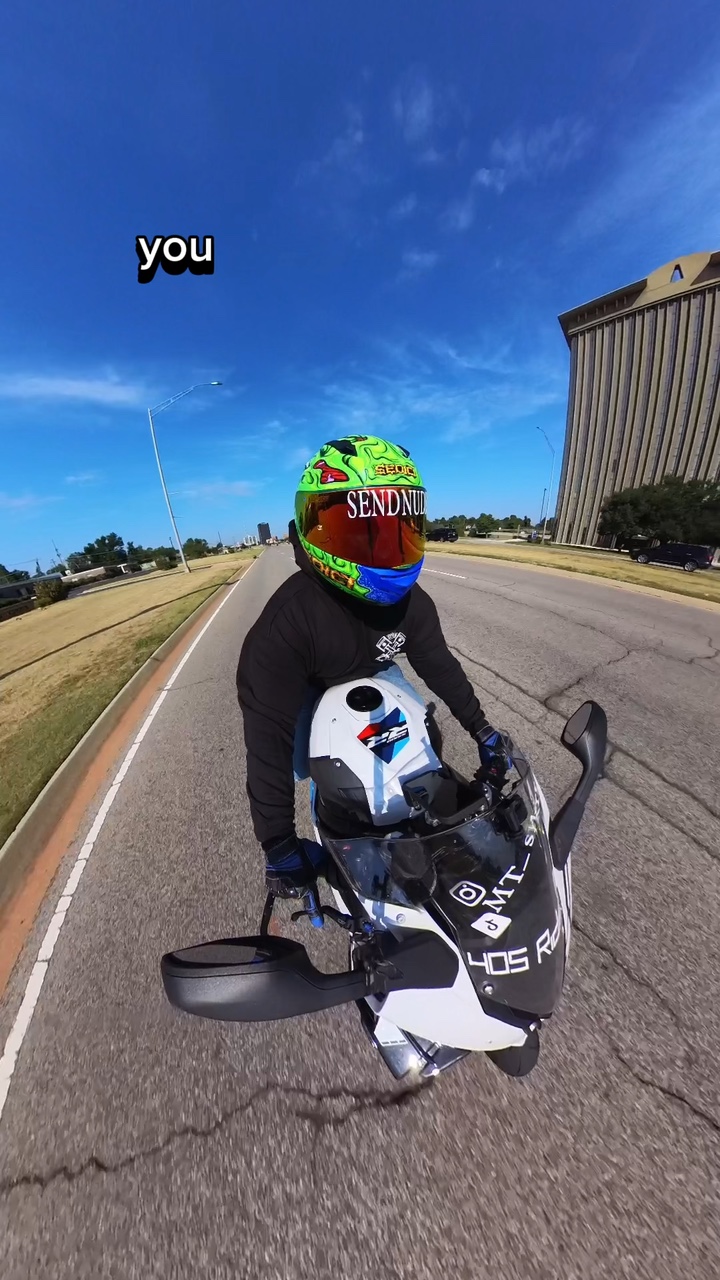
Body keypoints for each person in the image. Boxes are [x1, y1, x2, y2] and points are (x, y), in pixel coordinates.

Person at [236, 435, 509, 900]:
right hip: (309, 690)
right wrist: (278, 842)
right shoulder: (284, 627)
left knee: (426, 740)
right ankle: (336, 824)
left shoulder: (412, 604)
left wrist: (482, 730)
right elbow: (267, 738)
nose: (382, 547)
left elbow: (438, 665)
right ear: (314, 530)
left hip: (375, 674)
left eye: (396, 530)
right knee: (315, 766)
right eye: (359, 532)